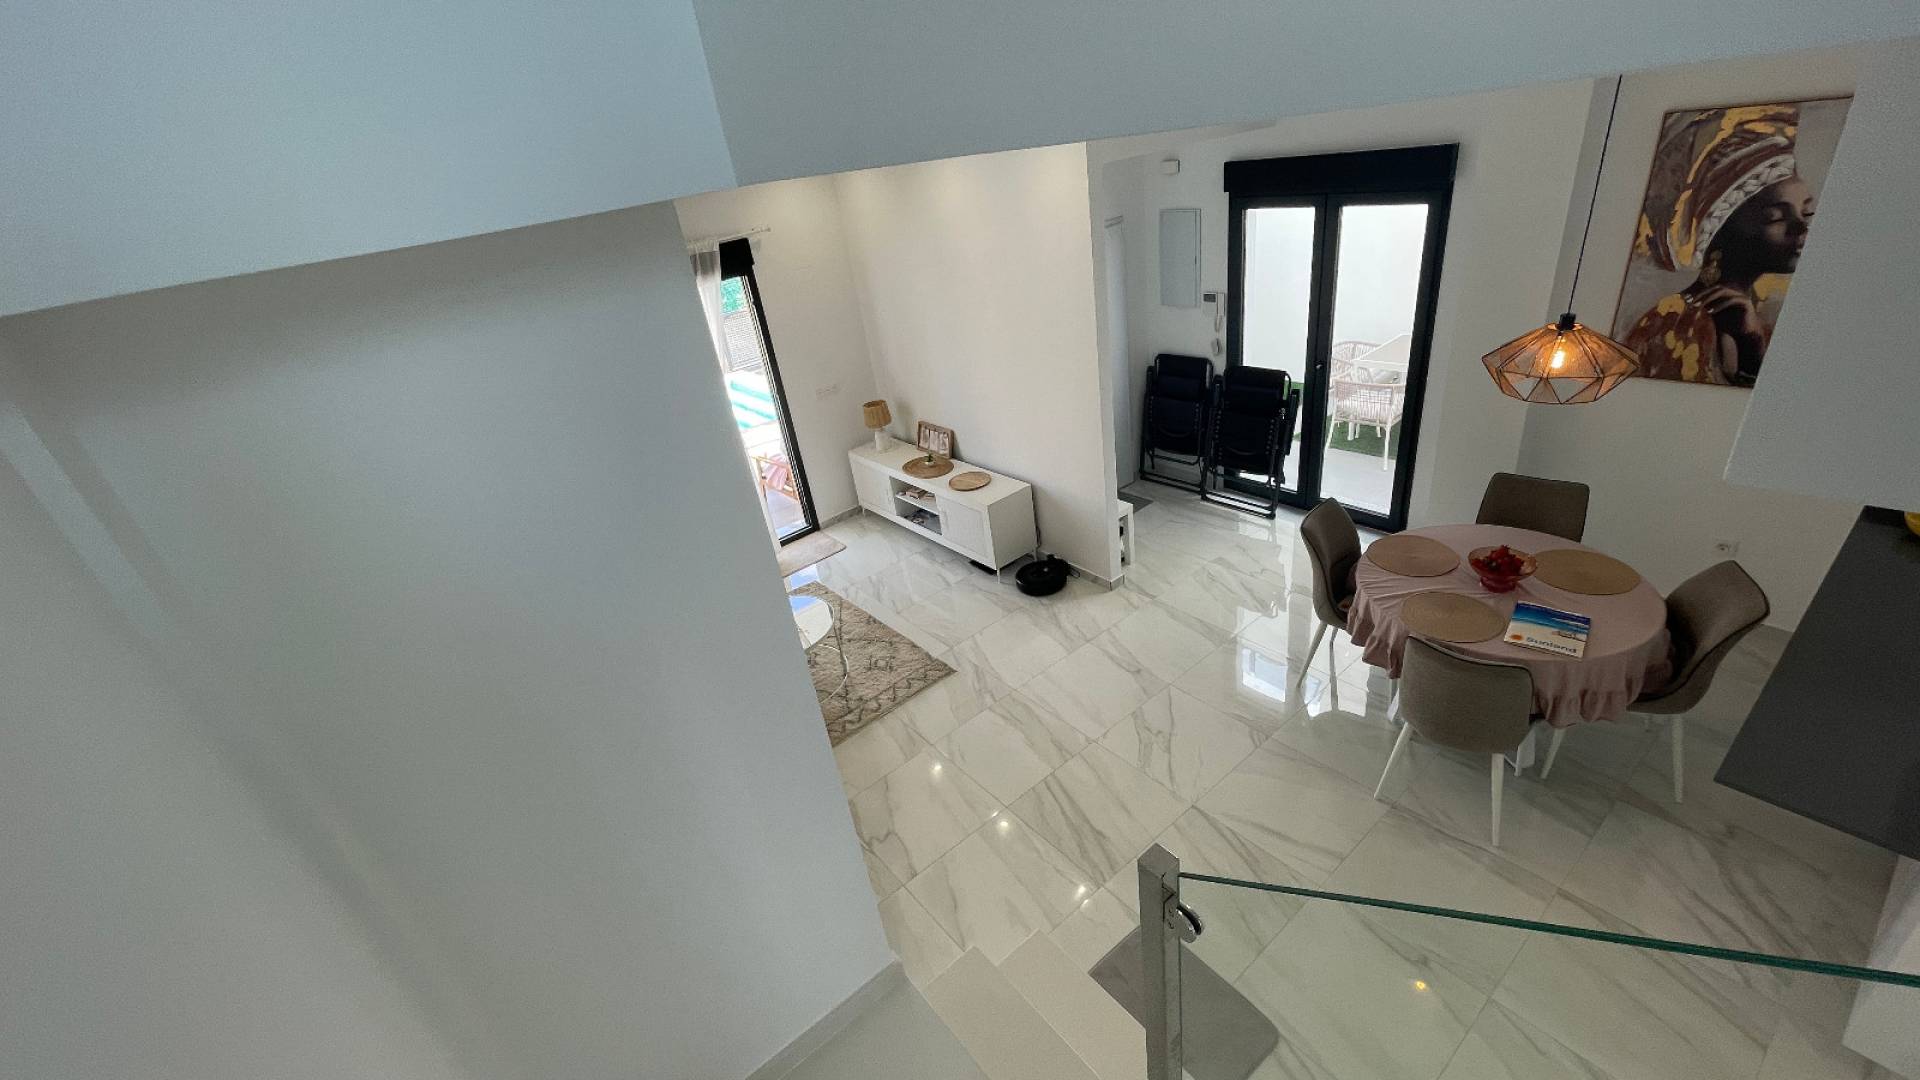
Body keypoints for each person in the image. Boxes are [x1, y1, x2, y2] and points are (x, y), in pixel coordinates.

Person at [1622, 105, 1815, 387]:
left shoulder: (1770, 317)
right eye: (1775, 217)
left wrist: (1751, 345)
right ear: (1723, 229)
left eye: (1808, 213)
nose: (1802, 228)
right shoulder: (1674, 322)